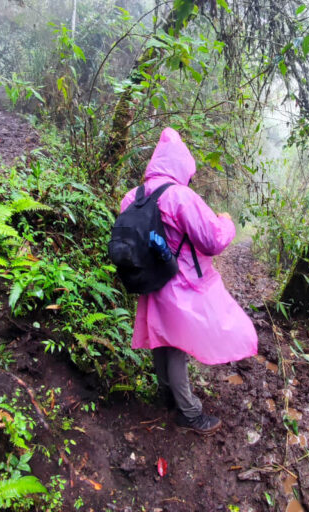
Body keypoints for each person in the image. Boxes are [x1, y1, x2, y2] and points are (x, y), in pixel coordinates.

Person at [119, 128, 258, 435]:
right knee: (177, 346)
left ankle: (166, 396)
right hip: (180, 282)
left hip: (148, 278)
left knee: (161, 338)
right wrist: (227, 221)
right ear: (182, 165)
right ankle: (189, 412)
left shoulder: (133, 196)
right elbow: (212, 240)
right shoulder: (181, 196)